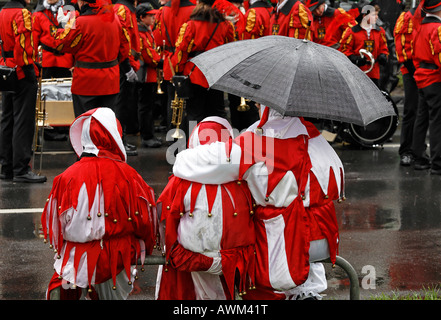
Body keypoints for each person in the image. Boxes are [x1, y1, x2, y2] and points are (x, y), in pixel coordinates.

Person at [172, 105, 344, 300]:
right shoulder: (316, 137)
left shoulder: (259, 142)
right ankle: (306, 292)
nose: (254, 104)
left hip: (285, 239)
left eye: (258, 102)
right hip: (324, 239)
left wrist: (182, 154)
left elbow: (202, 163)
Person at [41, 107, 158, 299]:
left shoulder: (65, 177)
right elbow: (145, 223)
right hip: (117, 258)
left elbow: (55, 226)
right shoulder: (129, 175)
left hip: (74, 259)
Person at [156, 117, 256, 299]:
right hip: (236, 258)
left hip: (192, 257)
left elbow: (165, 218)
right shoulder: (244, 177)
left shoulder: (180, 180)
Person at [52, 0, 130, 118]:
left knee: (85, 125)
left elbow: (61, 44)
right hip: (110, 79)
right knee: (106, 124)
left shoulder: (79, 22)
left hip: (85, 81)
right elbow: (124, 49)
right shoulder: (116, 19)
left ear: (83, 2)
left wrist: (62, 25)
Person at [170, 0, 235, 138]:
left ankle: (194, 145)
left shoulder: (191, 25)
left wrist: (178, 70)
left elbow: (181, 51)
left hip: (195, 73)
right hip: (217, 72)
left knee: (195, 113)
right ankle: (220, 145)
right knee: (218, 112)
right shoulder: (225, 25)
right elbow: (231, 49)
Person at [0, 0, 47, 183]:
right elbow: (24, 48)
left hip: (5, 68)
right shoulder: (22, 13)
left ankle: (6, 167)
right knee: (23, 120)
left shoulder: (2, 12)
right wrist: (32, 67)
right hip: (21, 71)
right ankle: (20, 168)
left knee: (7, 119)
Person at [33, 0, 75, 142]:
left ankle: (64, 126)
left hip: (65, 58)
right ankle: (48, 128)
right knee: (47, 95)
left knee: (65, 94)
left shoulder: (69, 9)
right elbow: (34, 38)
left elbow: (74, 34)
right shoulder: (38, 13)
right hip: (46, 59)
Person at [153, 0, 195, 132]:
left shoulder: (163, 10)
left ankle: (173, 136)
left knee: (172, 101)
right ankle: (190, 137)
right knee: (191, 103)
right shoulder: (194, 9)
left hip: (170, 61)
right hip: (189, 61)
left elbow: (159, 40)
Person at [411, 0, 441, 174]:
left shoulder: (420, 26)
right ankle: (438, 163)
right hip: (434, 78)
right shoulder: (437, 29)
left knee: (421, 119)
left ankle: (419, 158)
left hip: (421, 76)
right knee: (437, 121)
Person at [114, 0, 142, 155]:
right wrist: (127, 67)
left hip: (128, 63)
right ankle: (118, 142)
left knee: (124, 106)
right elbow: (122, 39)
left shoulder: (127, 9)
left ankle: (121, 140)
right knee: (121, 106)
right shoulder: (122, 10)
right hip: (124, 64)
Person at [339, 4, 389, 88]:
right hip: (356, 74)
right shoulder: (352, 32)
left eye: (377, 14)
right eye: (374, 15)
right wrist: (355, 59)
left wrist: (383, 55)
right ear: (365, 16)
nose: (376, 17)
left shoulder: (380, 31)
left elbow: (384, 48)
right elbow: (344, 51)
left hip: (374, 74)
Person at [394, 5, 419, 167]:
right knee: (411, 110)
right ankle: (406, 151)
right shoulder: (407, 17)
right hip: (411, 71)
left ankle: (420, 150)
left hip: (431, 72)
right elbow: (401, 48)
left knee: (428, 115)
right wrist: (415, 71)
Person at [136, 2, 163, 148]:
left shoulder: (146, 30)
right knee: (145, 107)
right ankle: (147, 136)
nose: (153, 18)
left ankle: (149, 133)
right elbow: (147, 54)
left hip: (150, 74)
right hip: (145, 74)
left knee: (148, 106)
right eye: (150, 16)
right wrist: (161, 62)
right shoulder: (141, 32)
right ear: (141, 17)